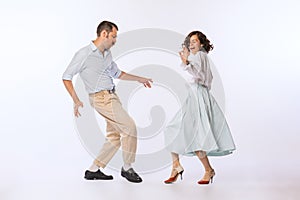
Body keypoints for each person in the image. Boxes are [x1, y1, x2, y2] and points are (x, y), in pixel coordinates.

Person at [62, 21, 152, 183]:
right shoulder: (84, 54)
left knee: (114, 136)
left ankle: (93, 170)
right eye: (113, 36)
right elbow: (66, 76)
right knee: (129, 127)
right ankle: (127, 167)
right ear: (104, 34)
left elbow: (117, 73)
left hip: (112, 96)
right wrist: (75, 99)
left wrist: (139, 79)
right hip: (101, 98)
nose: (115, 40)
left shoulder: (107, 53)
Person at [164, 31, 236, 184]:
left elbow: (199, 75)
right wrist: (187, 61)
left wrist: (186, 62)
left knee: (196, 136)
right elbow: (196, 72)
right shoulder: (196, 57)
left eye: (195, 41)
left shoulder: (200, 56)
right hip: (194, 95)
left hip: (198, 95)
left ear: (201, 44)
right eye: (190, 41)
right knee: (176, 129)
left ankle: (207, 170)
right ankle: (176, 165)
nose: (191, 43)